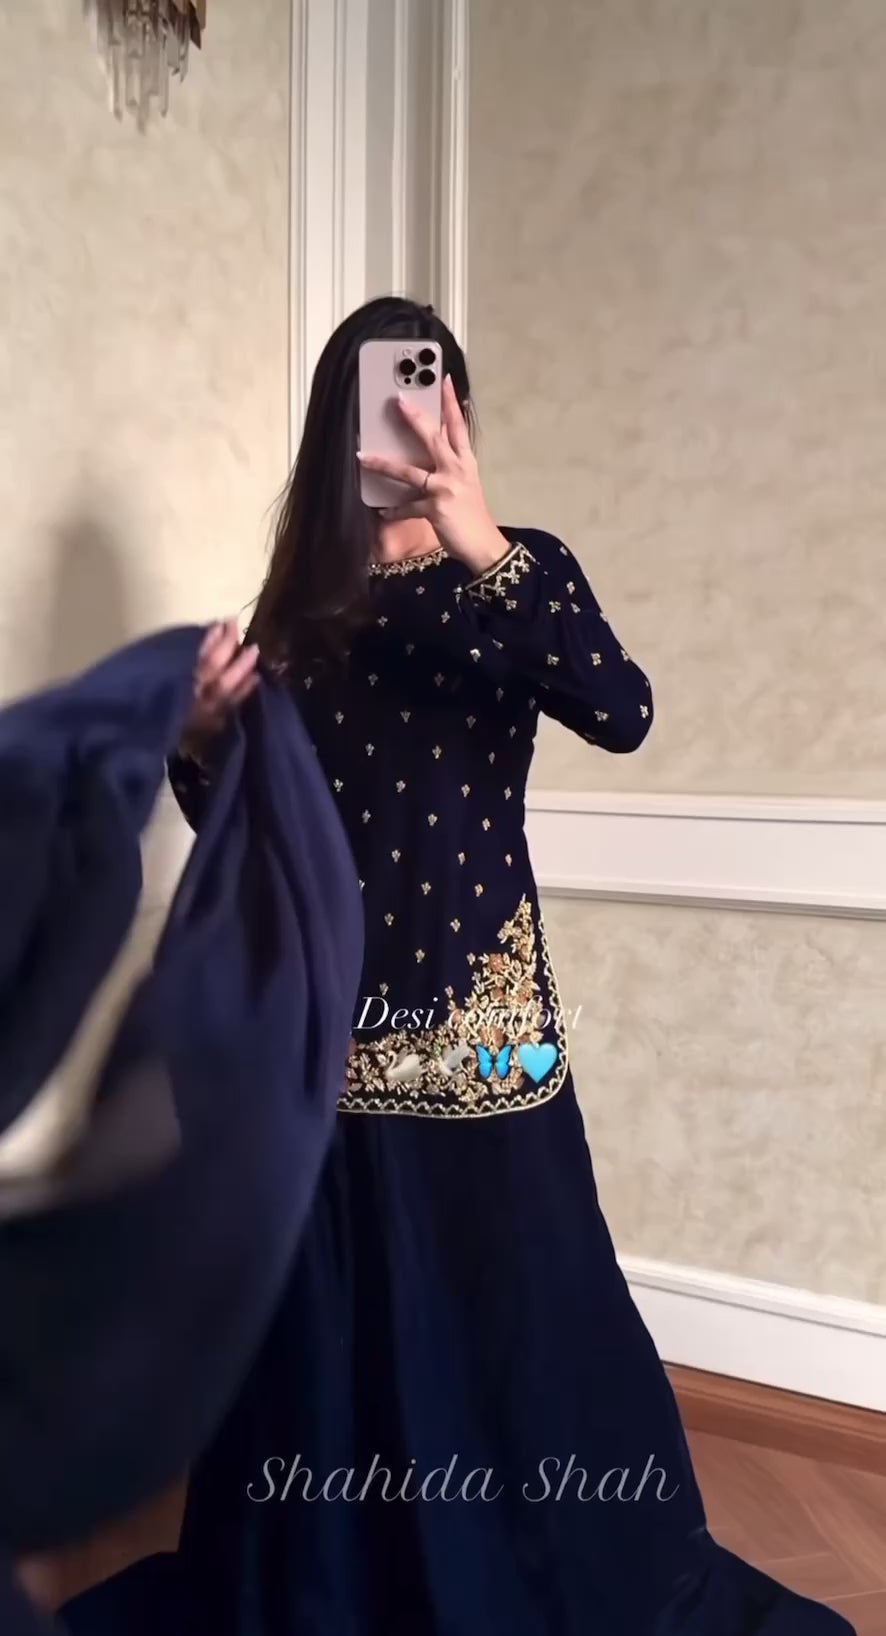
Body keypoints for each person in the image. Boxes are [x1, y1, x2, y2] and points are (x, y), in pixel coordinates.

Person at [67, 297, 851, 1636]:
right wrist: (198, 740)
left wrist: (479, 535)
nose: (401, 431)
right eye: (370, 408)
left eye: (425, 398)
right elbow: (252, 820)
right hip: (324, 1039)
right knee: (333, 1341)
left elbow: (621, 708)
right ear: (336, 437)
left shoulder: (517, 575)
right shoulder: (293, 620)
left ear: (460, 417)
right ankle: (339, 1576)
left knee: (517, 1316)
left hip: (483, 1031)